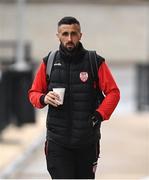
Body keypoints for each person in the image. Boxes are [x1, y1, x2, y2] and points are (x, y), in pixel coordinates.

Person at [28, 16, 120, 179]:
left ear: (80, 35)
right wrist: (43, 98)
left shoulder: (94, 61)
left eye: (73, 34)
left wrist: (99, 115)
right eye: (65, 34)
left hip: (87, 142)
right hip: (57, 143)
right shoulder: (49, 62)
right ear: (58, 36)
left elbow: (113, 93)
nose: (69, 39)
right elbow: (33, 93)